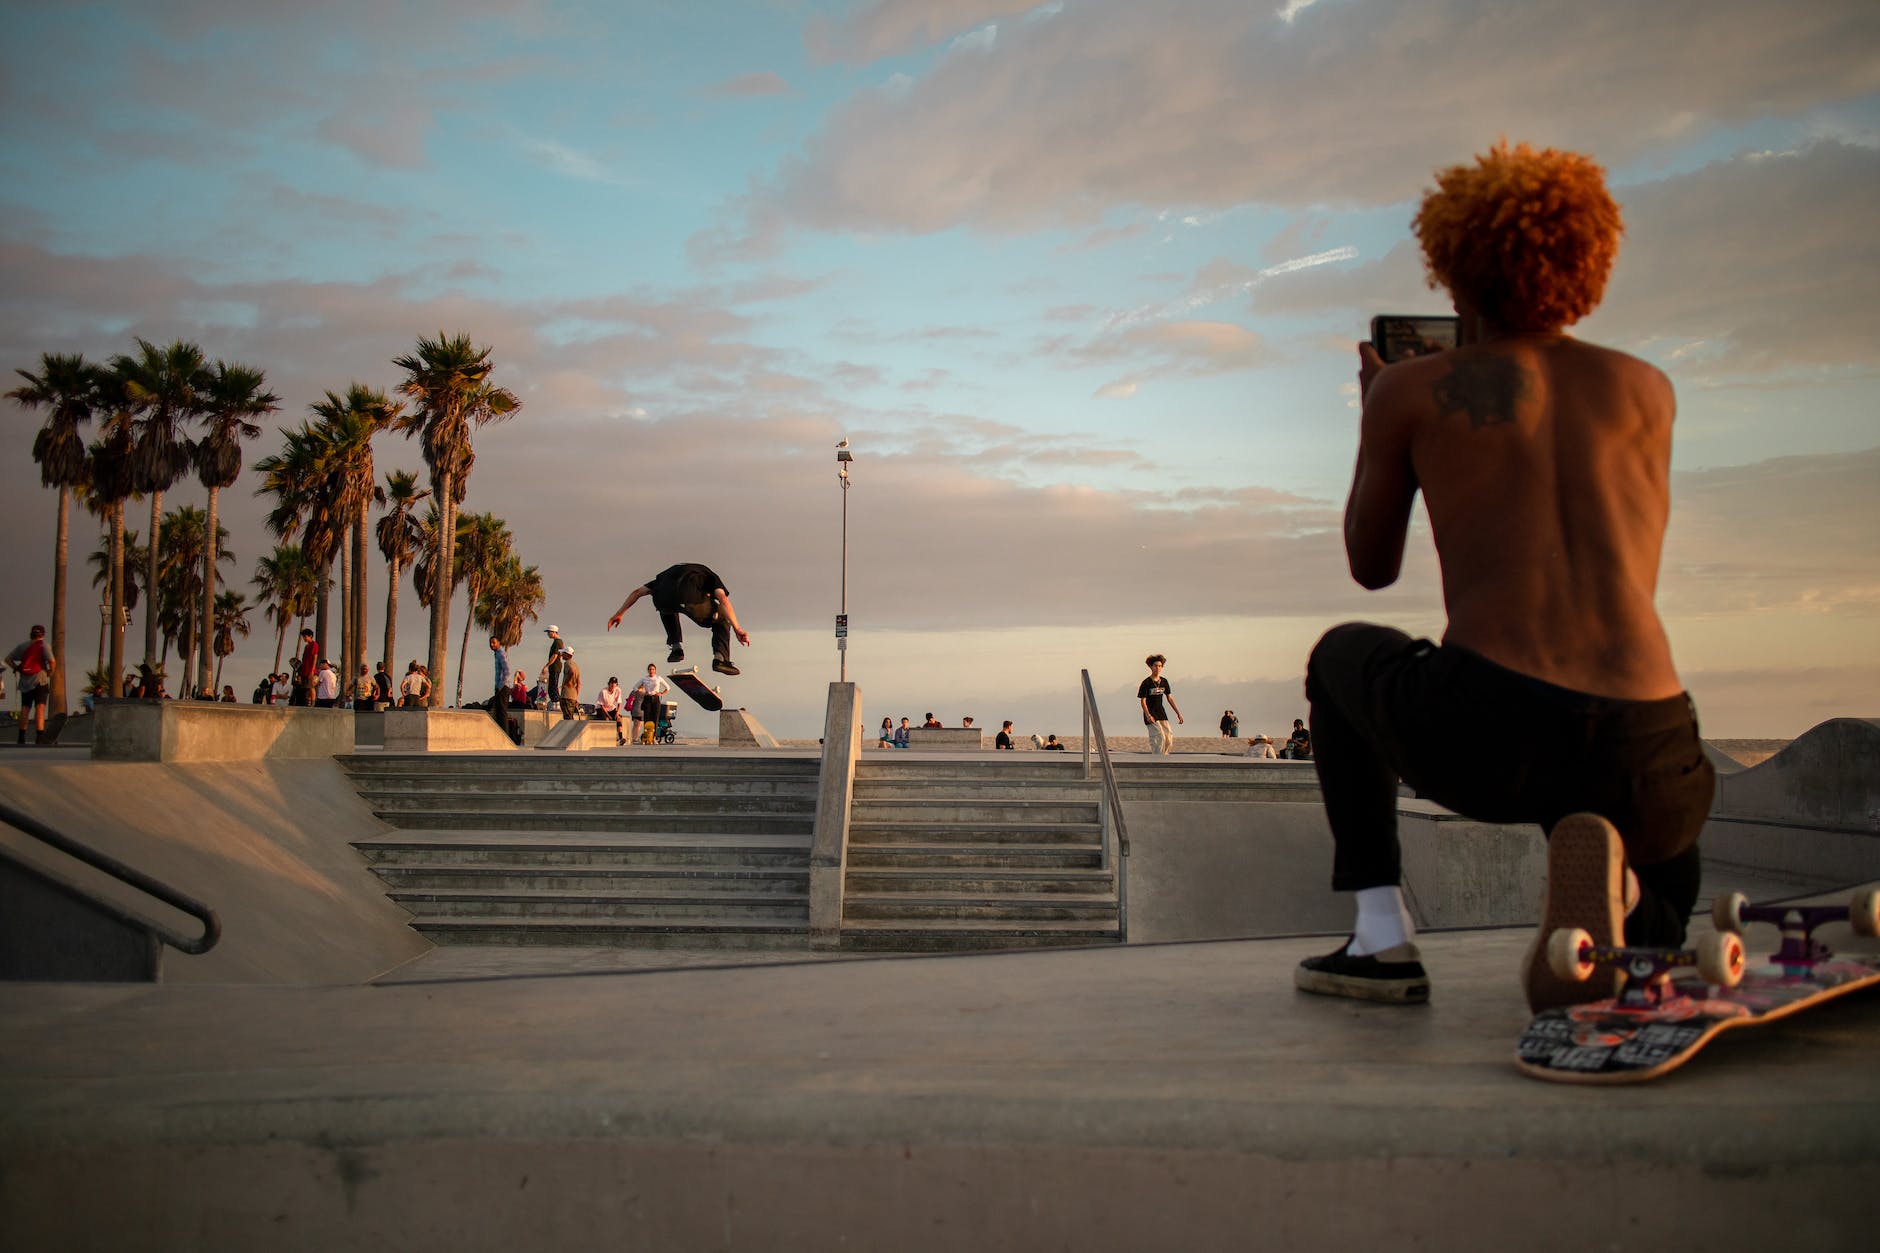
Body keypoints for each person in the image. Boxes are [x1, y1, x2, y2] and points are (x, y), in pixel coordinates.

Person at [1293, 141, 1715, 1014]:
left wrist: (1376, 413)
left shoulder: (1414, 389)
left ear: (1457, 269)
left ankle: (1380, 937)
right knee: (1654, 745)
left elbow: (1371, 570)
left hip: (1494, 735)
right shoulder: (1648, 388)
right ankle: (1643, 914)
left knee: (1339, 657)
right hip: (1654, 760)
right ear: (1586, 264)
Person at [606, 563, 751, 676]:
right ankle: (721, 660)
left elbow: (637, 592)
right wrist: (738, 628)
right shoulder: (711, 577)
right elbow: (723, 599)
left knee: (667, 607)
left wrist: (619, 613)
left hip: (662, 598)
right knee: (722, 619)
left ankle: (676, 649)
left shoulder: (665, 576)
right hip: (690, 598)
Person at [7, 624, 56, 744]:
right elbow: (52, 662)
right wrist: (50, 672)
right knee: (40, 707)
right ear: (43, 634)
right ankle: (39, 737)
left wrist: (17, 668)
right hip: (40, 681)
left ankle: (21, 737)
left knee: (25, 708)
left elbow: (8, 659)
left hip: (25, 682)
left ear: (31, 634)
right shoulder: (44, 646)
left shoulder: (22, 646)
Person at [1138, 654, 1183, 755]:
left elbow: (1169, 698)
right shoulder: (1146, 683)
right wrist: (1148, 715)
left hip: (1161, 712)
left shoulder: (1164, 681)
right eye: (1155, 666)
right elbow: (1143, 701)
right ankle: (1157, 758)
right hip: (1150, 714)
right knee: (1159, 737)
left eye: (1160, 666)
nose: (1158, 668)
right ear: (1151, 667)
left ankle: (1164, 758)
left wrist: (1178, 713)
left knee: (1168, 737)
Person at [488, 635, 519, 744]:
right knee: (498, 712)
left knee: (502, 712)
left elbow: (507, 670)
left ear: (499, 643)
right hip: (499, 686)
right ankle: (501, 735)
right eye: (490, 643)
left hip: (503, 687)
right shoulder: (497, 653)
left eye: (494, 642)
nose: (492, 645)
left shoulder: (501, 653)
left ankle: (505, 737)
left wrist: (501, 685)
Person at [629, 663, 669, 746]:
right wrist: (643, 693)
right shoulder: (644, 678)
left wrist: (661, 693)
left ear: (655, 670)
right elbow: (635, 687)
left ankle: (654, 738)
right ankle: (647, 738)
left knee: (655, 719)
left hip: (656, 699)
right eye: (650, 669)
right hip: (647, 699)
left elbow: (668, 687)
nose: (651, 671)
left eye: (653, 669)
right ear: (648, 670)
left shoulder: (658, 678)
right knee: (647, 719)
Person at [289, 629, 318, 707]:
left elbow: (315, 657)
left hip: (311, 671)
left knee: (311, 687)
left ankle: (313, 703)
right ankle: (307, 703)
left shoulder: (314, 644)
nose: (304, 638)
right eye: (303, 637)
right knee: (306, 688)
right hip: (304, 671)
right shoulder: (307, 646)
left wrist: (312, 671)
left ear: (310, 636)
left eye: (305, 637)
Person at [598, 677, 629, 746]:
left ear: (616, 685)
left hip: (611, 707)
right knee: (605, 719)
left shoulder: (618, 690)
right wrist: (608, 715)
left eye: (614, 684)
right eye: (611, 683)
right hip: (602, 708)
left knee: (619, 718)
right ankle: (604, 738)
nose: (613, 685)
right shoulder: (603, 691)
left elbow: (619, 702)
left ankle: (621, 738)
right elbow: (601, 705)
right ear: (609, 684)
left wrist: (617, 712)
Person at [558, 646, 582, 721]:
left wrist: (566, 682)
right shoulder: (576, 665)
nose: (562, 654)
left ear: (567, 654)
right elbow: (579, 683)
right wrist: (576, 695)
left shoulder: (567, 664)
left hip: (566, 695)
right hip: (573, 696)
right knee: (570, 716)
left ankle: (569, 732)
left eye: (563, 653)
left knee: (567, 718)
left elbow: (571, 672)